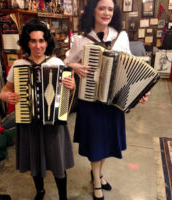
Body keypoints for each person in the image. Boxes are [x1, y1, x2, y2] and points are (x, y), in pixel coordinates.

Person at [64, 0, 150, 199]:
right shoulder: (81, 40)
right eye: (101, 8)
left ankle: (98, 174)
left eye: (110, 9)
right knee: (96, 142)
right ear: (92, 11)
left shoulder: (121, 36)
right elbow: (65, 61)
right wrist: (74, 66)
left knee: (107, 142)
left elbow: (131, 67)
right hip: (90, 101)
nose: (106, 12)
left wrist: (140, 91)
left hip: (113, 101)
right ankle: (96, 181)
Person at [0, 18, 75, 200]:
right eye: (33, 40)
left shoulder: (57, 63)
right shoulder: (19, 66)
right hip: (29, 122)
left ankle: (63, 196)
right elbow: (5, 90)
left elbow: (67, 97)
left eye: (41, 40)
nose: (38, 45)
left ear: (47, 42)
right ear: (27, 42)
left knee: (58, 162)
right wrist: (4, 96)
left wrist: (72, 86)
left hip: (53, 122)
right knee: (34, 160)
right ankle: (40, 191)